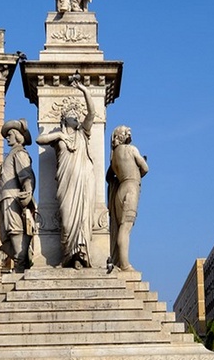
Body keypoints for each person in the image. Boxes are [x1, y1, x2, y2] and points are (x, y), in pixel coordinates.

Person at [36, 76, 96, 268]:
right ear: (64, 119)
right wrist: (59, 134)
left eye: (77, 116)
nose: (76, 118)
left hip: (84, 179)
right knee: (68, 220)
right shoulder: (59, 138)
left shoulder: (83, 133)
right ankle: (67, 255)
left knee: (82, 219)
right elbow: (40, 140)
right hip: (66, 182)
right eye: (72, 116)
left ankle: (80, 256)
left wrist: (85, 91)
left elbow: (92, 113)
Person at [0, 119, 36, 273]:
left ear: (17, 135)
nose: (7, 137)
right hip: (4, 199)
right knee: (7, 235)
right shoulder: (12, 154)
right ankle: (20, 261)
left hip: (13, 197)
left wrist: (28, 192)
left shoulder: (20, 153)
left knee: (14, 229)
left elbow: (26, 174)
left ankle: (20, 263)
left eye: (9, 134)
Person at [106, 126, 149, 271]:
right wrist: (136, 171)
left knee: (121, 227)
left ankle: (120, 261)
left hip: (120, 190)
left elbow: (109, 177)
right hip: (131, 187)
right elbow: (145, 168)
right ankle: (124, 265)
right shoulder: (131, 149)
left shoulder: (113, 158)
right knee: (126, 228)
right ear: (121, 136)